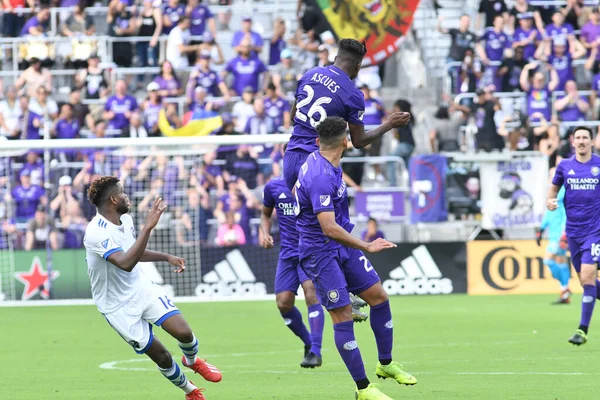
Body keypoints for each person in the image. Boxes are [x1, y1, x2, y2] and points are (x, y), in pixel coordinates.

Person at [295, 117, 416, 400]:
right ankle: (363, 389)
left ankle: (385, 364)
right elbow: (328, 227)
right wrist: (367, 246)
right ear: (345, 142)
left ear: (318, 142)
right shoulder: (320, 176)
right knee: (343, 316)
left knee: (379, 298)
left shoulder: (320, 160)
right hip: (321, 252)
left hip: (341, 246)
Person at [83, 177, 222, 399]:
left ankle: (192, 360)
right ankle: (191, 391)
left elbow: (132, 252)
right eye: (122, 192)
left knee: (184, 332)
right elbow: (125, 263)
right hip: (115, 306)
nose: (126, 196)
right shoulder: (95, 233)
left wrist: (166, 257)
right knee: (162, 356)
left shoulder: (125, 220)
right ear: (112, 199)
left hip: (140, 288)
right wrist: (148, 226)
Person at [283, 38, 410, 191]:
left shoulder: (310, 74)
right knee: (331, 214)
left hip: (291, 158)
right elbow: (359, 141)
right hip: (318, 164)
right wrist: (389, 124)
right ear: (358, 67)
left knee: (300, 214)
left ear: (336, 58)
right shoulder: (353, 95)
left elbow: (293, 116)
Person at [260, 175, 325, 368]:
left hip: (309, 251)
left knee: (311, 294)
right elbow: (265, 214)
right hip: (287, 254)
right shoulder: (273, 186)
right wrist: (265, 233)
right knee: (283, 303)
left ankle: (316, 351)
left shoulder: (314, 182)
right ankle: (308, 342)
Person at [547, 126, 600, 346]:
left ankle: (582, 330)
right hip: (574, 232)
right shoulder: (564, 166)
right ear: (572, 141)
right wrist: (549, 201)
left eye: (585, 138)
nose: (581, 141)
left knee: (588, 277)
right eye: (578, 138)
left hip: (595, 231)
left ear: (591, 141)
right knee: (585, 281)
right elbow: (553, 190)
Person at [537, 183, 570, 304]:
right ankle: (565, 290)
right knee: (561, 261)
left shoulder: (562, 193)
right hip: (554, 235)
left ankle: (564, 286)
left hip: (558, 236)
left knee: (548, 260)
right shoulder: (553, 193)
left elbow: (565, 214)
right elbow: (549, 212)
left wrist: (564, 233)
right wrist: (541, 229)